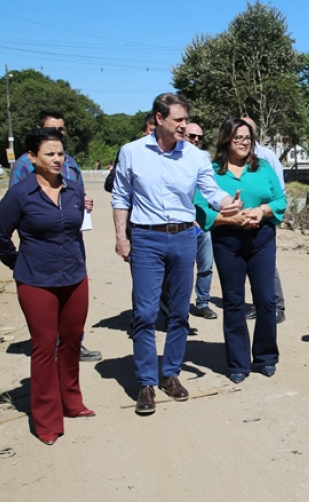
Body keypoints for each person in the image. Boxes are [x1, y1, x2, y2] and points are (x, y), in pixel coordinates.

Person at [111, 93, 241, 415]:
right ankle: (145, 382)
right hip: (146, 238)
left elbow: (211, 191)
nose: (184, 126)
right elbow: (120, 196)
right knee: (144, 313)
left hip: (184, 237)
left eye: (186, 120)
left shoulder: (195, 156)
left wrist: (227, 202)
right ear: (158, 119)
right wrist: (120, 236)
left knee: (179, 312)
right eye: (178, 120)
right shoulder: (131, 152)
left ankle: (170, 374)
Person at [0, 128, 95, 445]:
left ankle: (71, 401)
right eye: (49, 153)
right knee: (45, 347)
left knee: (73, 341)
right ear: (32, 158)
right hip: (37, 282)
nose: (57, 159)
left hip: (75, 278)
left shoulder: (75, 191)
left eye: (60, 153)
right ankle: (47, 420)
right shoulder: (20, 194)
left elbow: (77, 232)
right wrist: (20, 265)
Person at [195, 117, 286, 384]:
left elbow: (280, 199)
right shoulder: (211, 171)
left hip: (262, 239)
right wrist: (229, 219)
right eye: (238, 138)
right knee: (233, 302)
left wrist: (262, 210)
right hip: (227, 242)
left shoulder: (263, 167)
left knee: (266, 300)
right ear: (226, 140)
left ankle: (266, 357)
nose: (244, 142)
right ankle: (237, 362)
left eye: (248, 138)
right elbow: (200, 208)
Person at [9, 109, 101, 364]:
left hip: (71, 242)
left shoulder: (70, 163)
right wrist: (20, 260)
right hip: (40, 249)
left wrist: (84, 204)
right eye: (52, 129)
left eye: (61, 129)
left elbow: (77, 193)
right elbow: (13, 208)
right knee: (46, 308)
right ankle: (50, 346)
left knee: (73, 294)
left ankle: (73, 343)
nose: (58, 134)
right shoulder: (24, 165)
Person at [242, 117, 287, 324]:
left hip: (264, 220)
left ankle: (277, 306)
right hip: (239, 222)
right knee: (249, 266)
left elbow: (279, 189)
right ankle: (258, 305)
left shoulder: (267, 156)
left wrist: (269, 213)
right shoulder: (232, 158)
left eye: (247, 132)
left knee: (268, 267)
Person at [184, 122, 219, 321]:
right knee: (182, 269)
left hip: (204, 224)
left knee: (206, 265)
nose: (196, 140)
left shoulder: (205, 160)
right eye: (191, 136)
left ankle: (203, 303)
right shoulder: (174, 159)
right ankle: (177, 307)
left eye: (199, 137)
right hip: (182, 225)